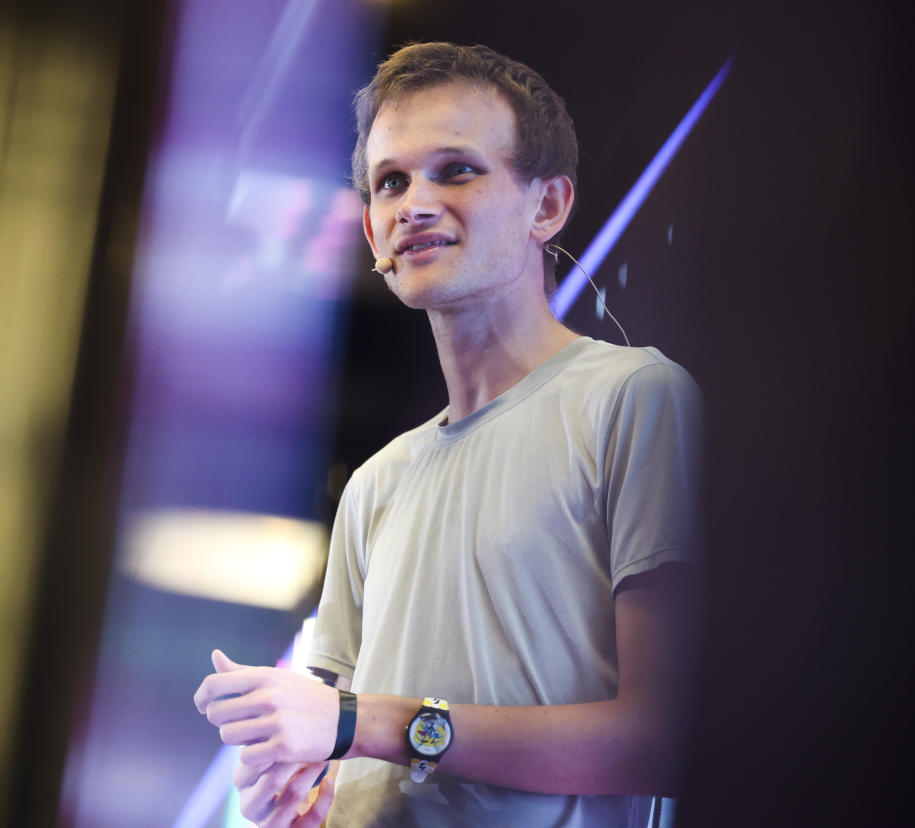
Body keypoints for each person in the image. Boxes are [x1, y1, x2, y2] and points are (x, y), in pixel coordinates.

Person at [194, 42, 701, 827]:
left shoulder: (636, 399)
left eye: (456, 170)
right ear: (371, 231)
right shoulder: (376, 485)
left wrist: (369, 724)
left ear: (548, 206)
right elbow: (339, 748)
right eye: (392, 181)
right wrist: (299, 789)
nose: (415, 203)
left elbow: (662, 738)